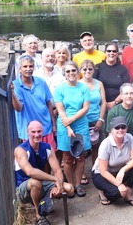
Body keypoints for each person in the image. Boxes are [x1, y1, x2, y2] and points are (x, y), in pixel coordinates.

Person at [14, 121, 74, 225]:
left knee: (70, 188)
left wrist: (58, 184)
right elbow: (30, 172)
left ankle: (44, 203)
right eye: (33, 132)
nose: (36, 135)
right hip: (23, 187)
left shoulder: (47, 147)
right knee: (35, 182)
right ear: (27, 133)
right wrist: (54, 179)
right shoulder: (21, 150)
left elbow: (57, 170)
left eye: (39, 131)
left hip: (41, 183)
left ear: (43, 132)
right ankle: (38, 216)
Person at [54, 61, 91, 198]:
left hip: (80, 124)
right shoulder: (59, 89)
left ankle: (78, 184)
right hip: (64, 126)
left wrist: (72, 119)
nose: (71, 73)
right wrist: (68, 126)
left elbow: (85, 107)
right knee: (67, 158)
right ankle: (70, 186)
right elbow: (60, 110)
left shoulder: (83, 88)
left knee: (81, 157)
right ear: (64, 74)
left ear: (77, 72)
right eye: (68, 71)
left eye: (73, 70)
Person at [92, 116, 133, 206]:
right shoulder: (105, 144)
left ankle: (129, 196)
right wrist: (119, 185)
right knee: (117, 194)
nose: (120, 130)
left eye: (123, 127)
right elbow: (103, 171)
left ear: (126, 128)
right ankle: (102, 192)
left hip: (118, 171)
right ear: (111, 130)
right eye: (117, 127)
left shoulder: (129, 137)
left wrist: (123, 170)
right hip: (101, 174)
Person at [10, 55, 56, 150]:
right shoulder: (16, 85)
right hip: (29, 130)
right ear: (20, 69)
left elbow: (48, 103)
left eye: (30, 66)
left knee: (49, 157)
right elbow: (18, 108)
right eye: (25, 66)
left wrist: (54, 124)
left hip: (45, 127)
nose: (28, 69)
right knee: (32, 158)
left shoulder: (41, 82)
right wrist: (13, 93)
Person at [79, 59, 106, 186]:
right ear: (80, 71)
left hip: (96, 119)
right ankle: (82, 173)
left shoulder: (99, 83)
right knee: (83, 149)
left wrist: (100, 119)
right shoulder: (77, 84)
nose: (87, 71)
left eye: (90, 69)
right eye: (84, 69)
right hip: (82, 120)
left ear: (93, 70)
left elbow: (103, 102)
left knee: (97, 148)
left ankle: (95, 170)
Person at [94, 42, 130, 111]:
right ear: (105, 53)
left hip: (118, 104)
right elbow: (91, 85)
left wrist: (115, 102)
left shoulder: (122, 69)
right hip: (99, 105)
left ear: (117, 54)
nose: (111, 53)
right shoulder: (98, 67)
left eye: (114, 51)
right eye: (109, 51)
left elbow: (126, 88)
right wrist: (104, 103)